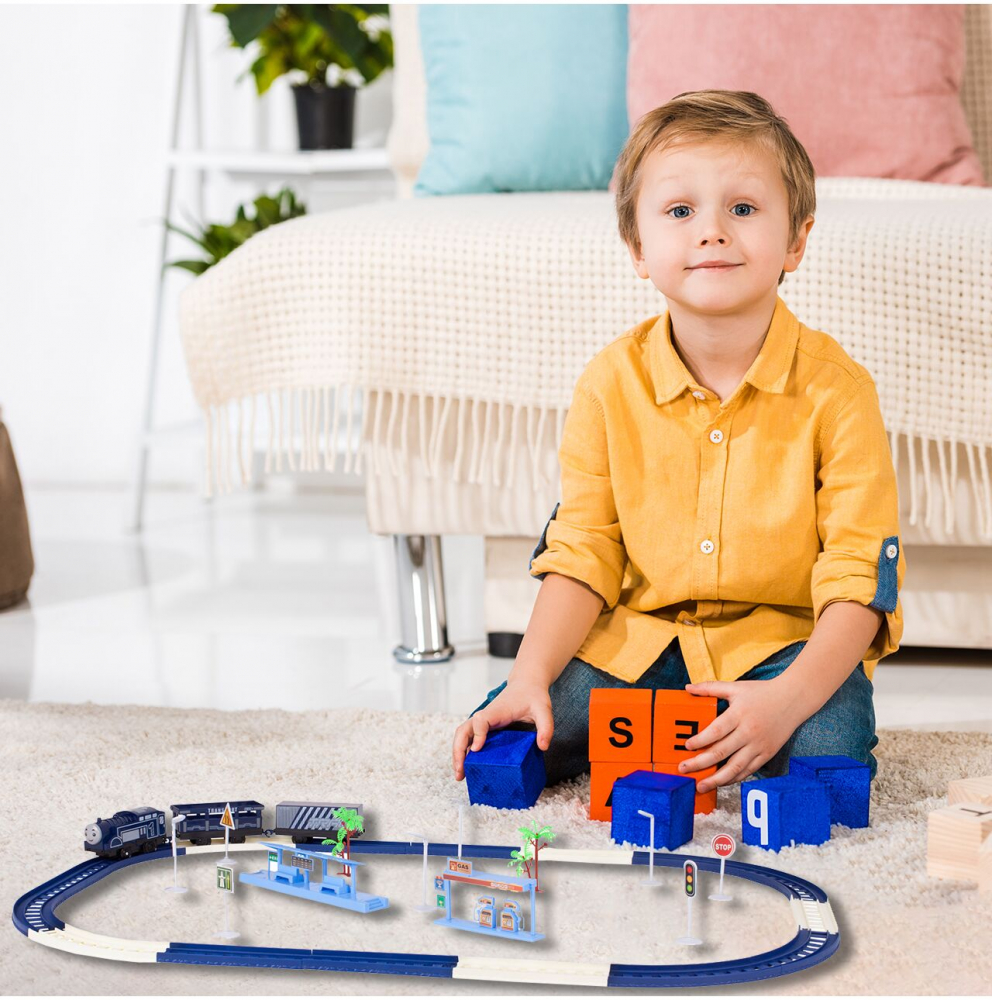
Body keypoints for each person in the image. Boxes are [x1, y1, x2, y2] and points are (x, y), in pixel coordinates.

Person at [452, 89, 905, 794]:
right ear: (638, 248)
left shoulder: (839, 390)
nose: (713, 232)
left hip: (781, 651)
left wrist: (786, 702)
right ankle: (650, 727)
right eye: (680, 211)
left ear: (796, 241)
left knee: (828, 756)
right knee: (521, 727)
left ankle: (748, 727)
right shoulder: (608, 383)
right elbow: (585, 548)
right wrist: (529, 676)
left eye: (743, 209)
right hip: (638, 642)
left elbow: (858, 576)